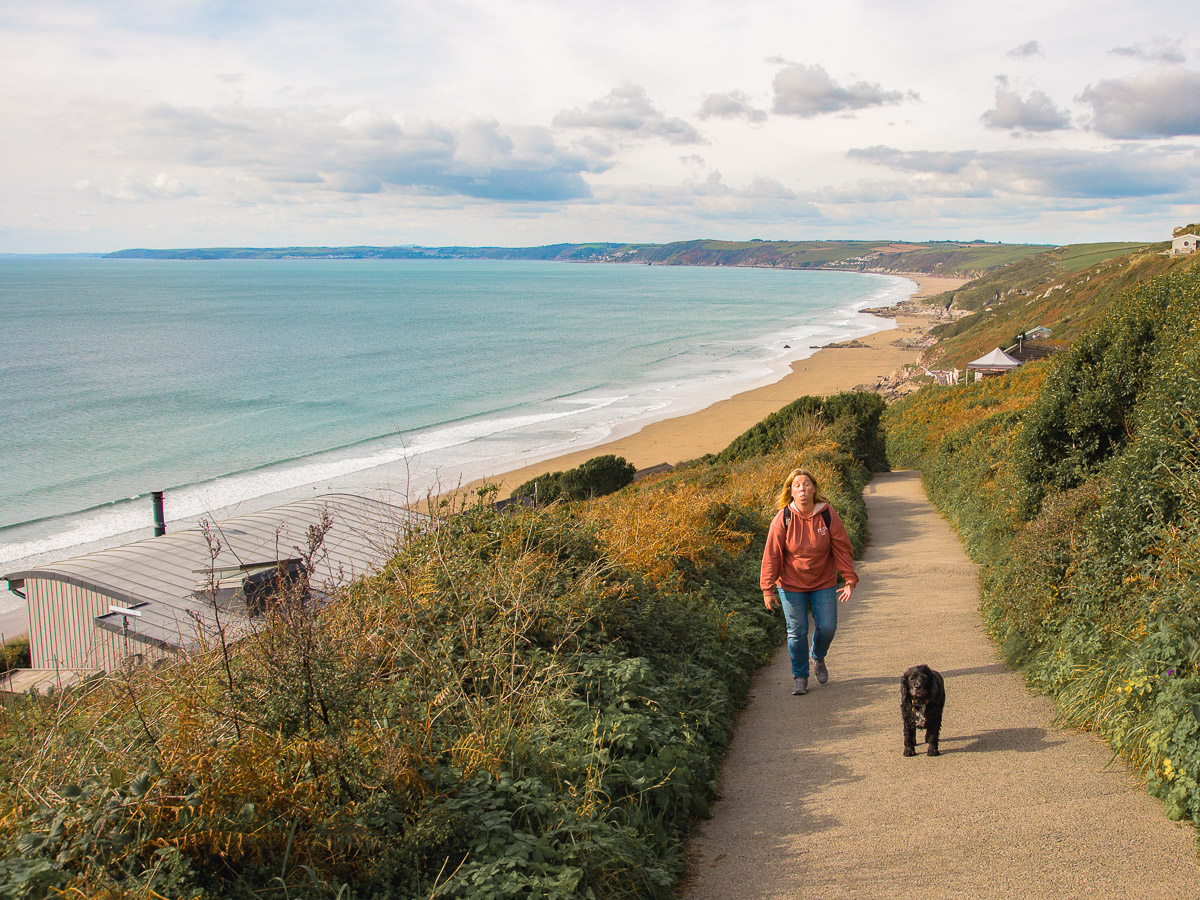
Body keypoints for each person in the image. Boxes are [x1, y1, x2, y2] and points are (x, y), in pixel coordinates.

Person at [760, 467, 858, 695]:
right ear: (791, 492)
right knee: (796, 631)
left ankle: (818, 656)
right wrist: (767, 588)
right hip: (790, 584)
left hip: (823, 581)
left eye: (806, 484)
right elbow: (771, 554)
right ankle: (800, 678)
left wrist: (849, 578)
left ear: (814, 488)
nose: (802, 489)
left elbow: (842, 548)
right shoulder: (782, 518)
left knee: (827, 627)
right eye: (796, 486)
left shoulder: (827, 514)